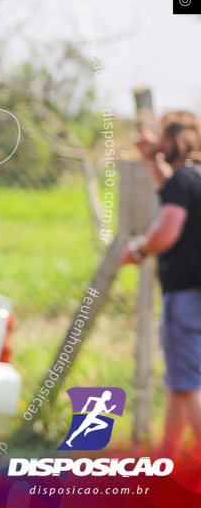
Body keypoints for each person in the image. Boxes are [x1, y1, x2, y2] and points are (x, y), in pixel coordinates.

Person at [120, 110, 201, 457]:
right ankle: (166, 462)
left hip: (185, 297)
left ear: (176, 139)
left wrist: (139, 249)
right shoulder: (190, 179)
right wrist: (151, 158)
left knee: (187, 385)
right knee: (179, 382)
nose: (157, 142)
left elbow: (167, 232)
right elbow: (169, 189)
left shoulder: (184, 180)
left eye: (162, 137)